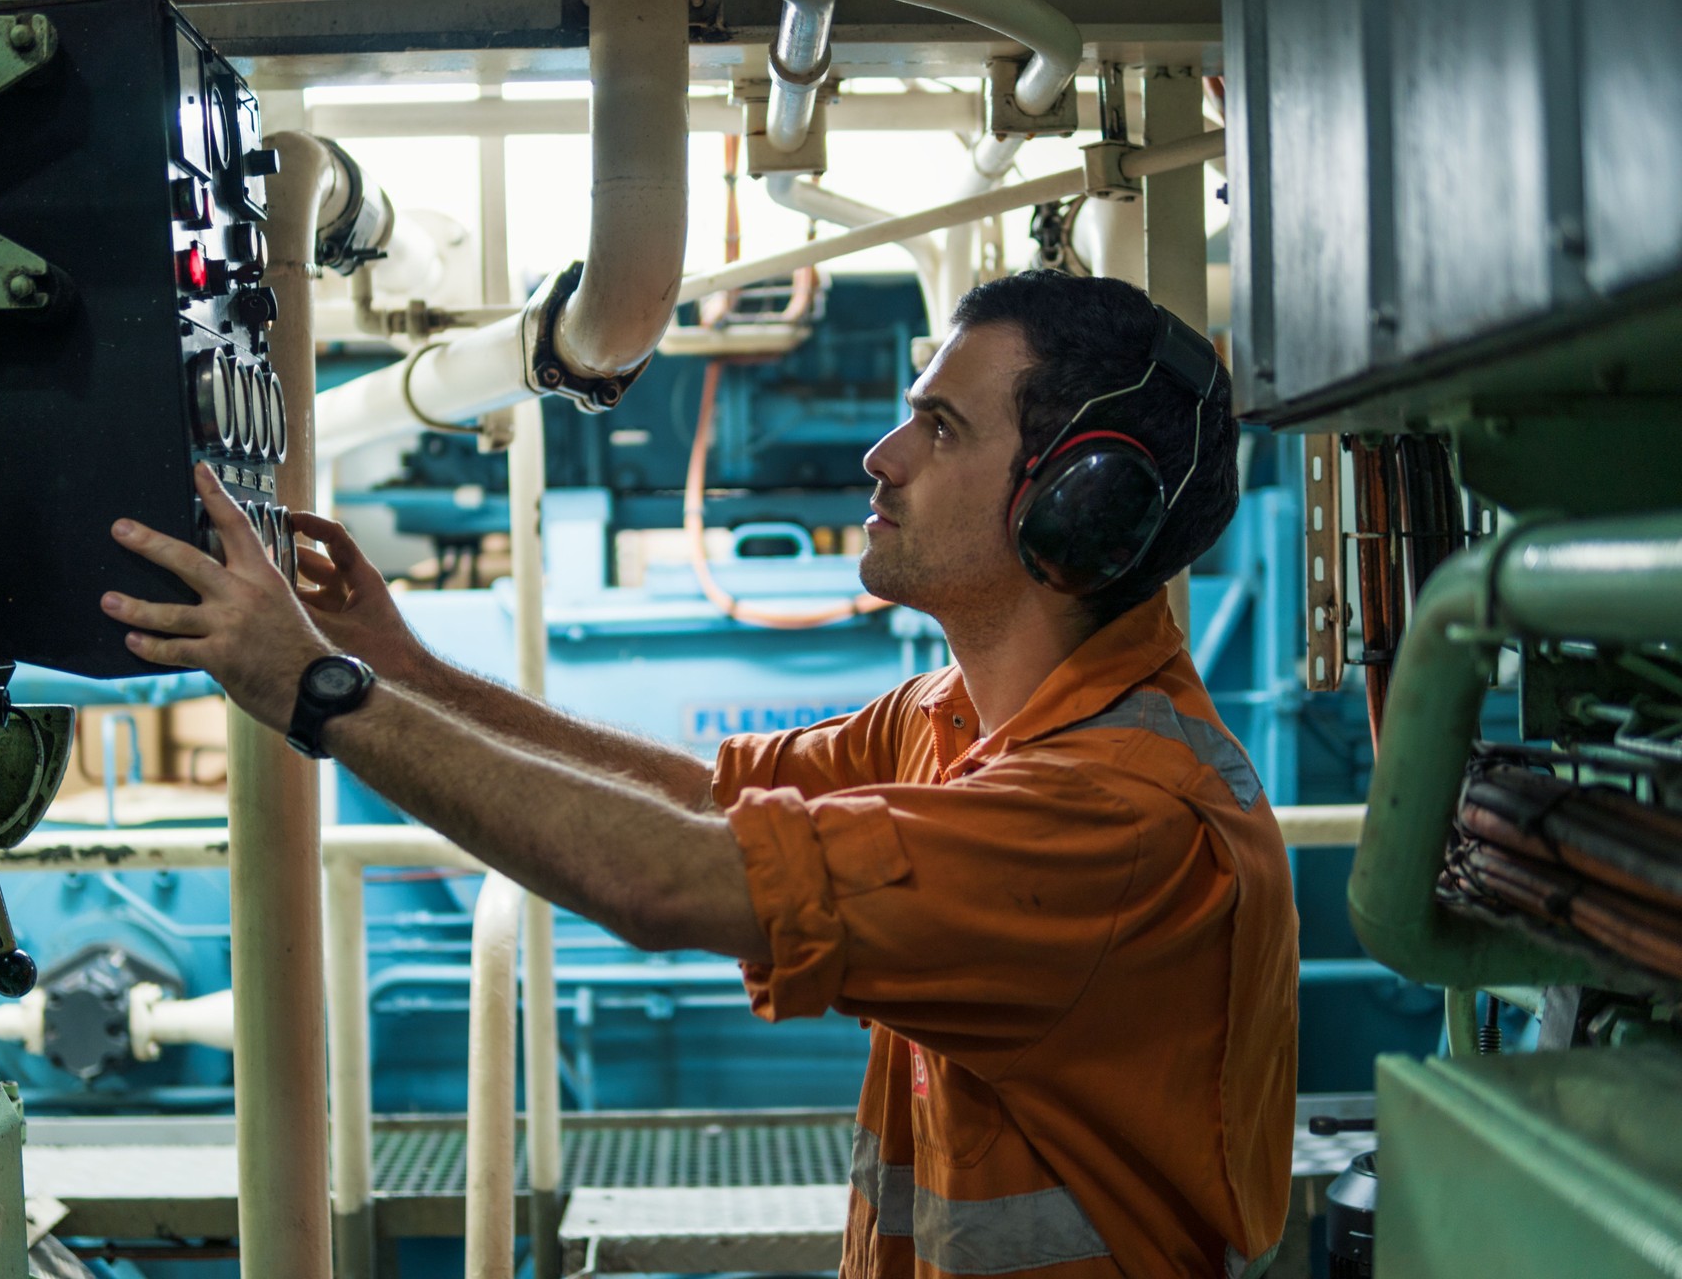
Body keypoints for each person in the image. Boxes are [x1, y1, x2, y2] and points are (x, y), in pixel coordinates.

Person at [101, 271, 1298, 1278]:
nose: (881, 458)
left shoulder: (1116, 821)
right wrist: (401, 666)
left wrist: (319, 695)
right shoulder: (961, 722)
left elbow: (667, 879)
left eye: (941, 428)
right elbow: (703, 799)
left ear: (1084, 504)